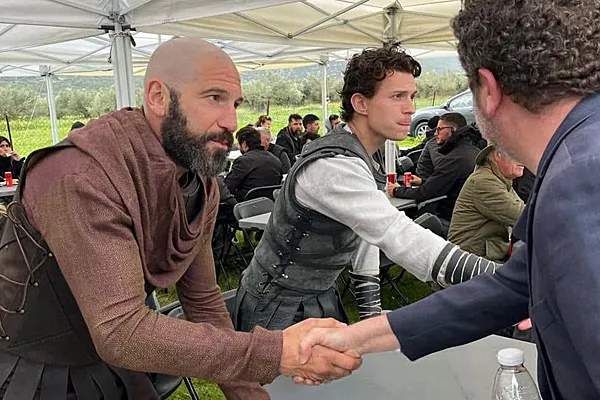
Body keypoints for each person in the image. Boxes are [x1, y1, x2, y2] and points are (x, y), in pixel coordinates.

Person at [0, 38, 362, 400]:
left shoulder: (198, 180)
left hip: (115, 365)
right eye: (214, 98)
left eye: (235, 104)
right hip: (33, 377)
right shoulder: (80, 176)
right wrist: (275, 353)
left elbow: (202, 300)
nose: (231, 122)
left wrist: (247, 392)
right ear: (158, 97)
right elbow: (120, 331)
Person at [298, 1, 600, 398]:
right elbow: (515, 287)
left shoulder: (579, 177)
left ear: (487, 89)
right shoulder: (578, 156)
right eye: (398, 95)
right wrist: (358, 336)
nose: (410, 108)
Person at [233, 45, 502, 334]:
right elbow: (398, 235)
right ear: (361, 103)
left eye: (411, 96)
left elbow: (366, 231)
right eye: (397, 96)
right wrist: (505, 280)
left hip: (318, 296)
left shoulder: (360, 154)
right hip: (276, 308)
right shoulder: (333, 166)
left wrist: (369, 309)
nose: (411, 108)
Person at [388, 113, 481, 223]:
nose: (435, 134)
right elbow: (447, 183)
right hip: (468, 214)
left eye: (439, 129)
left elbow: (424, 193)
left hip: (453, 218)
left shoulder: (454, 159)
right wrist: (422, 181)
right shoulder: (474, 151)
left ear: (452, 130)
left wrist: (396, 190)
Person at [448, 145, 525, 262]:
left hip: (485, 253)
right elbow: (522, 216)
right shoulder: (484, 182)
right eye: (516, 154)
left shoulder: (498, 179)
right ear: (498, 154)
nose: (523, 159)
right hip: (472, 259)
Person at [225, 126, 283, 202]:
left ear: (244, 144)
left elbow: (228, 186)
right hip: (271, 204)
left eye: (239, 144)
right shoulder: (276, 160)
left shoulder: (243, 161)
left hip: (245, 205)